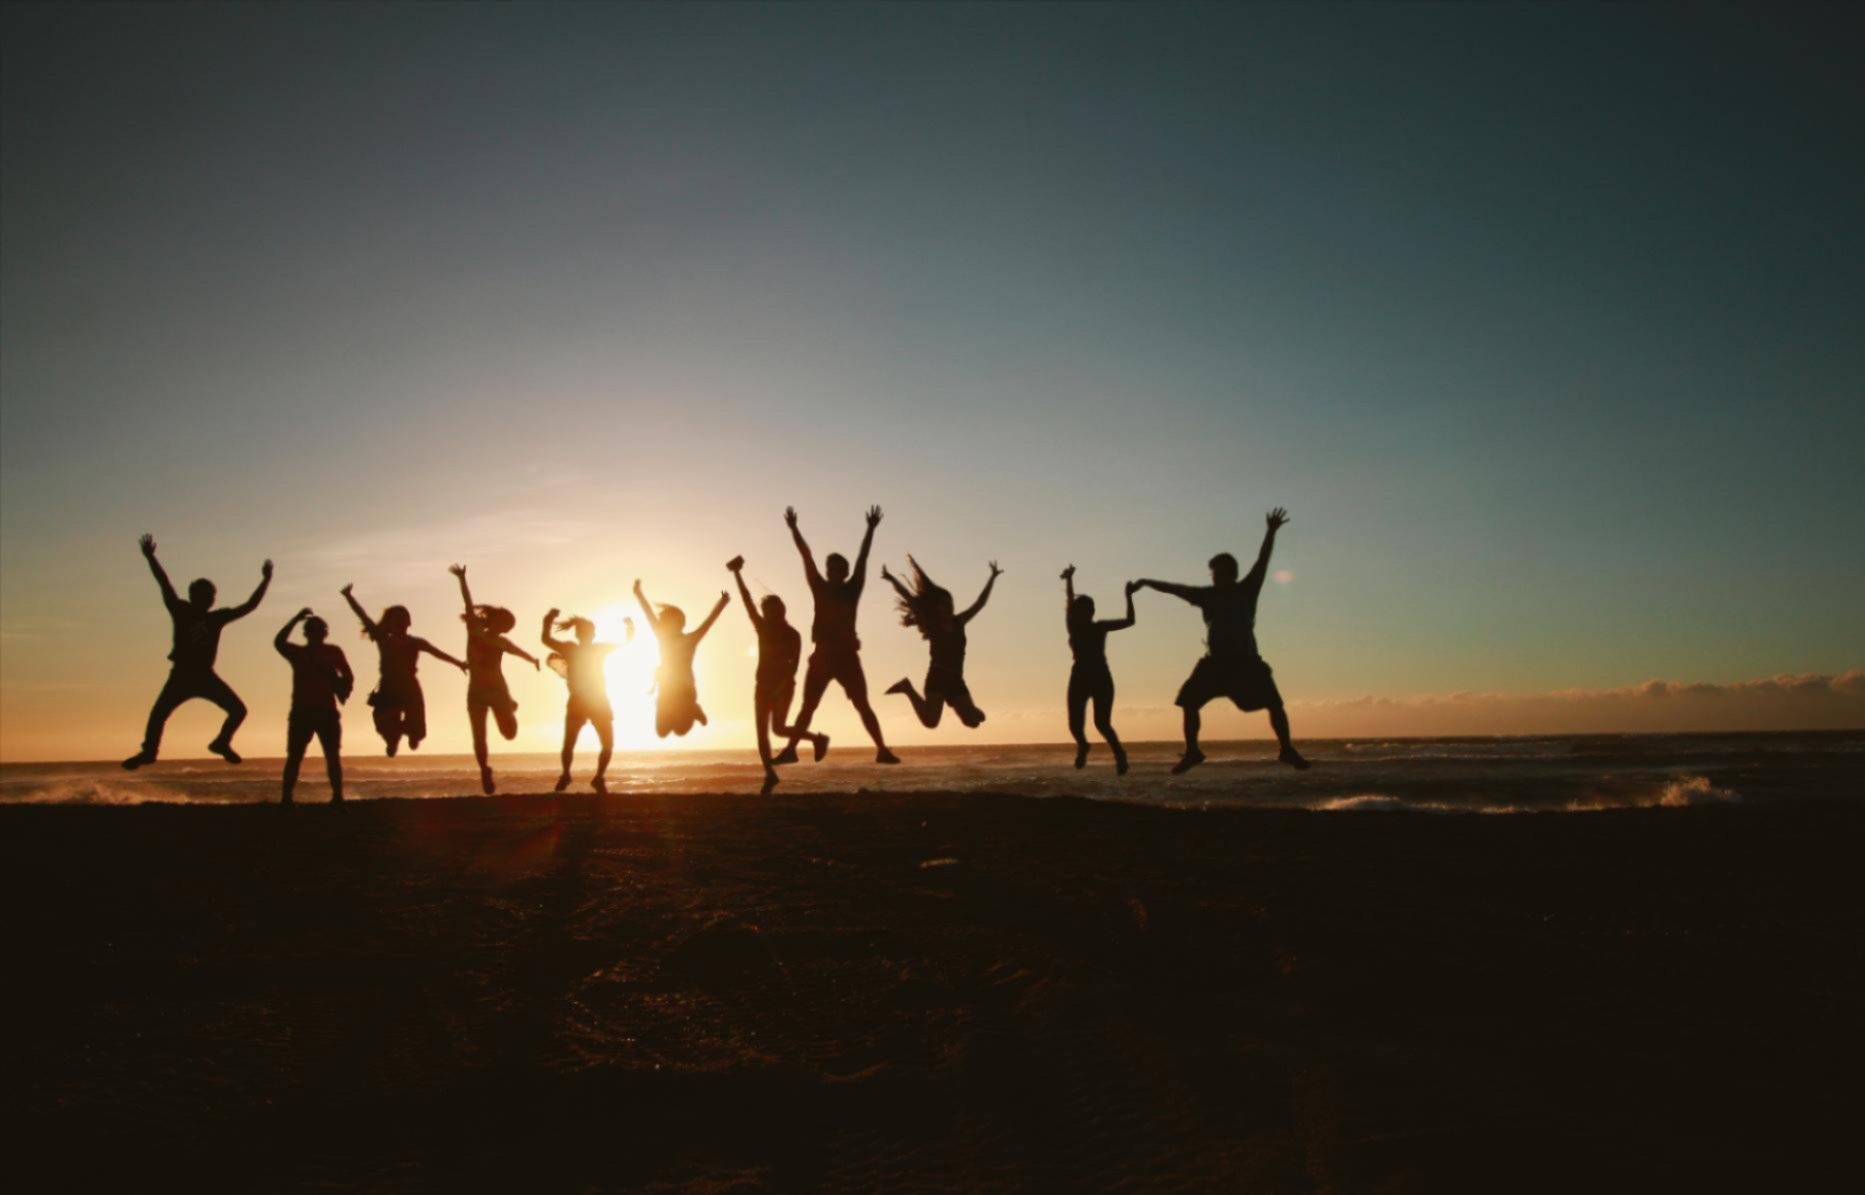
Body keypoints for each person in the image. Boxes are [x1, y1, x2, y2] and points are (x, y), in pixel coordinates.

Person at [1135, 507, 1310, 775]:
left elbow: (1262, 561)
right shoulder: (1205, 595)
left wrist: (1271, 531)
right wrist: (1147, 582)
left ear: (1231, 573)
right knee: (1189, 702)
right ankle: (1193, 751)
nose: (1214, 577)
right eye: (1213, 573)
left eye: (1218, 572)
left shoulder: (1247, 589)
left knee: (1275, 704)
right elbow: (1174, 589)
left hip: (1246, 662)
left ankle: (1286, 749)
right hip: (1214, 663)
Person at [123, 534, 272, 769]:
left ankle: (221, 743)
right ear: (194, 596)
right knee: (158, 714)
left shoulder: (217, 618)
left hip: (205, 675)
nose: (209, 600)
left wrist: (265, 581)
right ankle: (149, 752)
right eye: (204, 596)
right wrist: (151, 558)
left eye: (211, 596)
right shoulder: (181, 609)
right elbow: (165, 584)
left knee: (238, 710)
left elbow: (249, 606)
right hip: (182, 674)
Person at [781, 505, 900, 764]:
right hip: (822, 655)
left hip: (847, 657)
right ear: (827, 571)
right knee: (807, 707)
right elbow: (806, 556)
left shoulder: (853, 588)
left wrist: (870, 529)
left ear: (845, 573)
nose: (834, 571)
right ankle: (791, 750)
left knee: (862, 705)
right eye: (831, 568)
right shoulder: (819, 587)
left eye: (839, 568)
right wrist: (794, 529)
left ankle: (882, 749)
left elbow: (863, 558)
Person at [727, 555, 828, 792]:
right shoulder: (762, 628)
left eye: (776, 610)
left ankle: (817, 739)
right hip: (762, 686)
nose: (772, 614)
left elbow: (794, 667)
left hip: (783, 687)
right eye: (768, 611)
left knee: (779, 729)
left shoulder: (793, 634)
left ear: (782, 610)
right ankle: (769, 775)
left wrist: (782, 685)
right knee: (762, 733)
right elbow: (747, 601)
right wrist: (737, 574)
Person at [339, 584, 466, 757]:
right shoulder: (384, 640)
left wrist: (459, 663)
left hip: (410, 688)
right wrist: (349, 597)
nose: (399, 623)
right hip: (389, 687)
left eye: (402, 619)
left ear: (409, 623)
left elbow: (438, 654)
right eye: (395, 620)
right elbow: (364, 617)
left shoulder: (416, 642)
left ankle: (411, 734)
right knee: (384, 724)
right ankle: (393, 739)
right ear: (389, 625)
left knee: (419, 731)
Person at [450, 564, 540, 794]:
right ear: (494, 620)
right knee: (479, 737)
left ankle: (508, 706)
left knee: (510, 734)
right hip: (476, 693)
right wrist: (462, 579)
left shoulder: (502, 643)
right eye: (504, 623)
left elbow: (518, 651)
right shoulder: (474, 631)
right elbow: (469, 604)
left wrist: (532, 660)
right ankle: (484, 771)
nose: (505, 629)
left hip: (499, 690)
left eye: (508, 627)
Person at [882, 557, 1001, 729]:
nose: (948, 606)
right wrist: (892, 579)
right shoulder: (932, 625)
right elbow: (910, 599)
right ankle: (907, 688)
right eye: (943, 604)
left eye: (950, 603)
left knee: (974, 722)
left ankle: (966, 708)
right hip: (937, 677)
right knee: (931, 722)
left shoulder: (959, 621)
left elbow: (980, 603)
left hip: (956, 679)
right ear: (935, 608)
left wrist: (993, 577)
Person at [1061, 565, 1137, 774]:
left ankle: (1119, 754)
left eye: (1088, 610)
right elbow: (1068, 601)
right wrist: (1069, 579)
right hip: (1079, 677)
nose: (1085, 613)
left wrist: (1128, 596)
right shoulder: (1073, 625)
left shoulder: (1100, 626)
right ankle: (1083, 746)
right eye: (1081, 610)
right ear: (1077, 612)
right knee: (1074, 725)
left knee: (1102, 723)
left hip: (1100, 676)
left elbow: (1130, 621)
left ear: (1093, 612)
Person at [274, 607, 353, 805]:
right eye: (315, 630)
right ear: (307, 633)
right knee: (296, 757)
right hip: (303, 711)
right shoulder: (298, 653)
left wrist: (342, 688)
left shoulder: (333, 652)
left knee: (331, 756)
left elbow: (349, 675)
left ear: (325, 632)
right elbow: (278, 642)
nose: (318, 634)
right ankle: (286, 798)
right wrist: (295, 618)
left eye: (321, 630)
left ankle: (337, 797)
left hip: (325, 711)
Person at [634, 578, 729, 739]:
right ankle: (689, 711)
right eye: (665, 622)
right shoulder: (662, 637)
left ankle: (693, 710)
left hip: (685, 691)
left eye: (673, 622)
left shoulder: (690, 639)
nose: (666, 625)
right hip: (666, 689)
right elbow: (648, 614)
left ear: (681, 624)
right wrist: (638, 593)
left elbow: (709, 622)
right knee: (662, 732)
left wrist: (722, 603)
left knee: (681, 730)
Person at [541, 608, 617, 792]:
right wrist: (548, 620)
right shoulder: (572, 649)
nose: (587, 635)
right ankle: (570, 775)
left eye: (588, 632)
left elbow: (624, 644)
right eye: (585, 632)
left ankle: (595, 778)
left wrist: (548, 620)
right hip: (583, 701)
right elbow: (546, 640)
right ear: (580, 634)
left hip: (596, 700)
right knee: (572, 742)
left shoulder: (595, 649)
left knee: (604, 743)